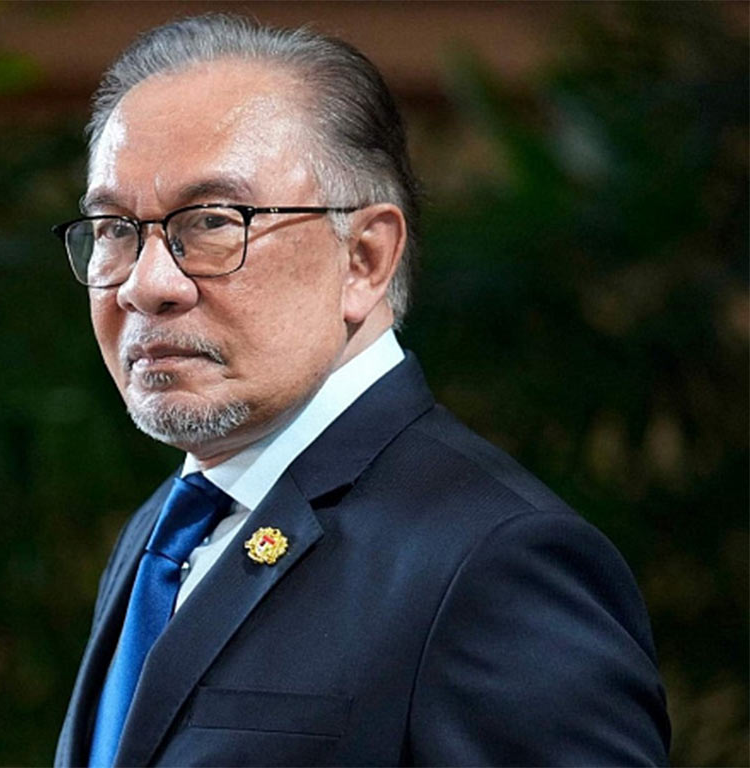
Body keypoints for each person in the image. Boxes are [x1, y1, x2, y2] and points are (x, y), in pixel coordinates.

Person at [51, 14, 670, 767]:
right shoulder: (165, 529)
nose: (146, 285)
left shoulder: (494, 562)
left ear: (365, 259)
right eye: (114, 228)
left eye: (212, 221)